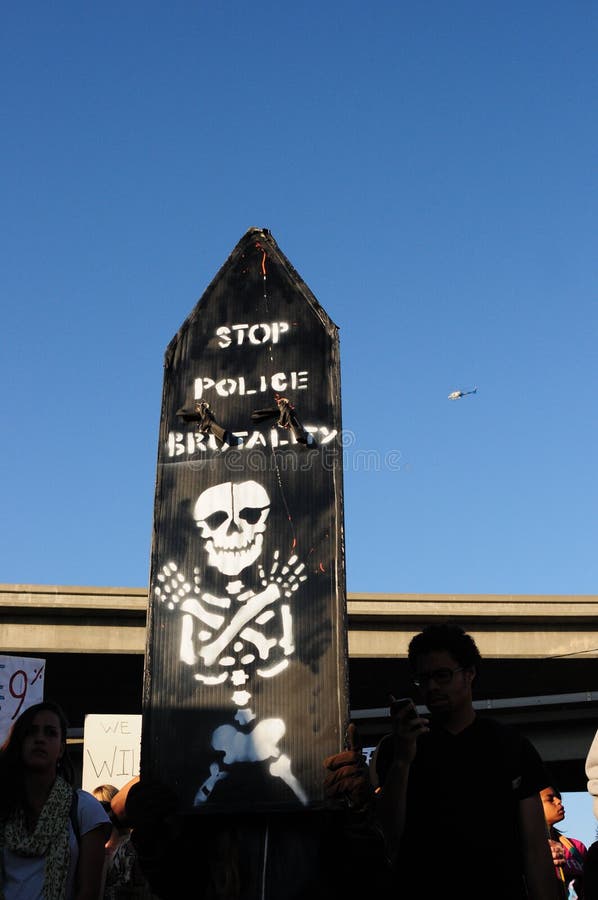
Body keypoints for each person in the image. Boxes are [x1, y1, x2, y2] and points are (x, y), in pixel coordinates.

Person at [371, 621, 561, 900]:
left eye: (443, 675)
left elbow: (535, 850)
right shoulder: (397, 747)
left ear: (469, 674)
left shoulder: (510, 746)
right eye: (423, 679)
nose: (432, 686)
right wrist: (402, 761)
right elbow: (385, 839)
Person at [0, 700, 111, 900]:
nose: (40, 739)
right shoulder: (4, 807)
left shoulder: (84, 809)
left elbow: (89, 892)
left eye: (50, 732)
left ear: (60, 749)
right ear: (20, 743)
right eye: (31, 732)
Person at [540, 784, 587, 898]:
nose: (558, 801)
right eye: (550, 799)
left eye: (557, 797)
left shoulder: (576, 847)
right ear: (533, 806)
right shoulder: (525, 850)